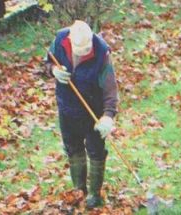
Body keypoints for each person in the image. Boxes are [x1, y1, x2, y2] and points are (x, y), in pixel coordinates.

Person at [45, 20, 119, 208]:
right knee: (73, 148)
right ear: (69, 39)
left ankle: (94, 195)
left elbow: (110, 89)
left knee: (96, 152)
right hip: (67, 109)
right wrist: (54, 71)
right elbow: (47, 62)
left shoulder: (102, 53)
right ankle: (79, 190)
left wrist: (108, 116)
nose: (85, 51)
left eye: (88, 47)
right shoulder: (60, 39)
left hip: (92, 112)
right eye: (80, 48)